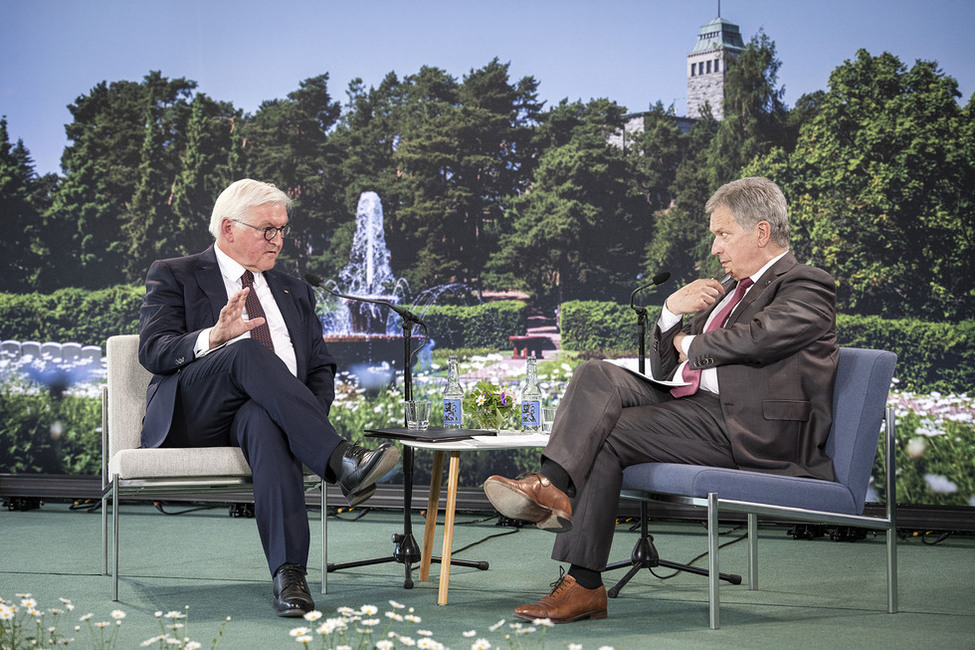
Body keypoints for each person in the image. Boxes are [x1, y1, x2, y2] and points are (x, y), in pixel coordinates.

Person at [484, 176, 838, 623]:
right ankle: (550, 484)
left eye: (723, 234)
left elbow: (759, 339)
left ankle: (583, 584)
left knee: (607, 435)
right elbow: (669, 370)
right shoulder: (729, 290)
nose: (715, 248)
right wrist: (671, 311)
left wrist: (689, 343)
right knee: (596, 373)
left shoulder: (807, 284)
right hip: (694, 406)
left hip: (748, 429)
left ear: (762, 232)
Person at [138, 179, 400, 617]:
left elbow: (320, 367)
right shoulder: (175, 272)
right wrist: (213, 335)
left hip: (255, 417)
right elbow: (154, 350)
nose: (277, 240)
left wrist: (300, 421)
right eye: (267, 230)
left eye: (282, 229)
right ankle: (341, 460)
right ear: (228, 229)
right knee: (244, 351)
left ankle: (289, 576)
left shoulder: (293, 288)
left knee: (264, 418)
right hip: (192, 413)